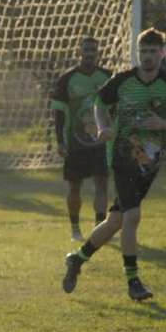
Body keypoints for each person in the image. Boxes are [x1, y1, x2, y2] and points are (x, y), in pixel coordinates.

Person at [62, 28, 166, 301]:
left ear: (162, 53)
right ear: (138, 53)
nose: (148, 56)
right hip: (122, 155)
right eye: (143, 51)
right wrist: (103, 127)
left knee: (115, 221)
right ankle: (133, 281)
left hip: (150, 161)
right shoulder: (122, 81)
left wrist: (165, 123)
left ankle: (77, 259)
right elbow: (100, 103)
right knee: (132, 217)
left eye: (153, 51)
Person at [50, 37, 112, 241]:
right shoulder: (67, 79)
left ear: (98, 52)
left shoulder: (108, 77)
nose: (89, 53)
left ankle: (98, 228)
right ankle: (75, 229)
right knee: (74, 187)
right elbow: (58, 113)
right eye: (86, 49)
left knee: (102, 184)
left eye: (93, 49)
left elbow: (116, 109)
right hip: (74, 142)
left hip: (100, 141)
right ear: (80, 52)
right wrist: (60, 140)